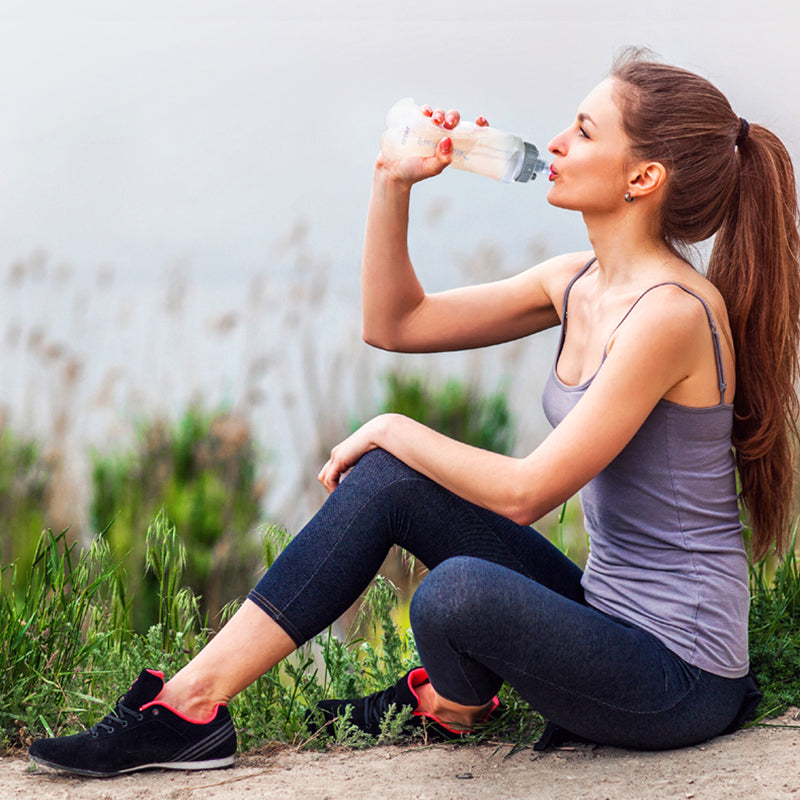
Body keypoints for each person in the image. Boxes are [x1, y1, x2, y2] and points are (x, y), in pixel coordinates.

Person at [29, 48, 799, 777]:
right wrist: (393, 181)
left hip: (680, 677)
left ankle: (453, 701)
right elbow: (395, 323)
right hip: (603, 616)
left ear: (645, 176)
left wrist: (393, 426)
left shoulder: (672, 314)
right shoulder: (576, 282)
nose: (556, 141)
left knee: (455, 592)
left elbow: (529, 494)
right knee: (390, 480)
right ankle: (190, 707)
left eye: (586, 131)